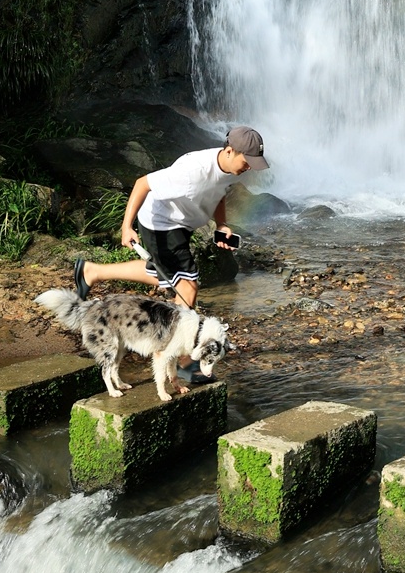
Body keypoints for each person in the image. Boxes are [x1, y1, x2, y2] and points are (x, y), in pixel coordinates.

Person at [74, 125, 269, 382]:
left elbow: (219, 194)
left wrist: (221, 224)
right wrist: (126, 227)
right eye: (248, 161)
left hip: (182, 225)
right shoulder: (192, 170)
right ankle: (181, 359)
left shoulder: (231, 168)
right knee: (188, 287)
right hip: (161, 224)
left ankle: (92, 271)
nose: (249, 167)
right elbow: (142, 183)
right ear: (230, 150)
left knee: (164, 275)